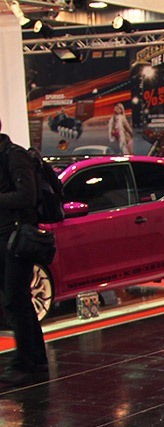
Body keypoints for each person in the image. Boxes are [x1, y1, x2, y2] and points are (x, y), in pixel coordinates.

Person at [0, 117, 50, 387]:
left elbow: (26, 196)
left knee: (16, 300)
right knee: (17, 301)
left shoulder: (14, 155)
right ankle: (35, 361)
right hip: (5, 239)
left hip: (17, 239)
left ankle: (28, 363)